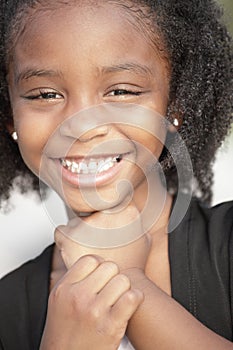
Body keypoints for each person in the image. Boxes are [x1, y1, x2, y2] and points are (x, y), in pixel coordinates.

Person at [0, 0, 233, 349]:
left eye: (121, 91)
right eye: (45, 94)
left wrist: (129, 281)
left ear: (174, 107)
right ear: (10, 116)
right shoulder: (8, 312)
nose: (82, 127)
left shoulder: (226, 249)